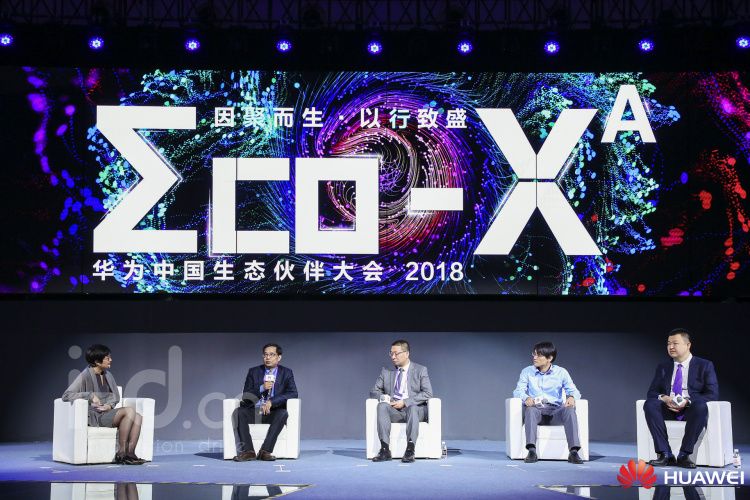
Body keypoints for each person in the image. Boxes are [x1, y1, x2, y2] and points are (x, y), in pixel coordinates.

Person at [644, 328, 718, 469]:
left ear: (688, 345)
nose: (671, 347)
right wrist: (665, 398)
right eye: (668, 343)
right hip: (669, 408)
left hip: (691, 409)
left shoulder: (704, 365)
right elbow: (652, 392)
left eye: (675, 343)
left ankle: (684, 455)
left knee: (700, 406)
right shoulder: (664, 367)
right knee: (650, 404)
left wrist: (687, 401)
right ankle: (665, 454)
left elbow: (712, 394)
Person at [62, 344, 146, 465]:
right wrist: (89, 395)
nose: (110, 360)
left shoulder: (108, 375)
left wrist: (109, 406)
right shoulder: (85, 375)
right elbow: (66, 395)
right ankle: (121, 453)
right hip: (95, 417)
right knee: (129, 411)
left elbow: (116, 397)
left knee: (138, 417)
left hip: (107, 413)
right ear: (97, 361)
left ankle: (130, 454)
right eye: (107, 358)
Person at [512, 341, 583, 464]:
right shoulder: (527, 371)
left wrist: (571, 397)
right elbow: (518, 391)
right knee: (530, 410)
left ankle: (573, 452)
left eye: (539, 355)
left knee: (570, 410)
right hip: (537, 411)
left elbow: (575, 391)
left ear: (549, 358)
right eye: (534, 354)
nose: (534, 357)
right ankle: (531, 451)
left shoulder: (561, 372)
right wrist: (526, 398)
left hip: (555, 412)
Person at [370, 340, 433, 463]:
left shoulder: (420, 370)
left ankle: (410, 450)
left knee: (412, 408)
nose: (393, 357)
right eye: (391, 353)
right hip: (395, 411)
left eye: (396, 353)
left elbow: (428, 393)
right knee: (382, 406)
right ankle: (384, 450)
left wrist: (405, 402)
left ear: (406, 353)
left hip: (415, 411)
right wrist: (387, 399)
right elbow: (374, 391)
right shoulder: (386, 371)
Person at [233, 343, 298, 462]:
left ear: (279, 357)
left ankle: (265, 451)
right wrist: (262, 388)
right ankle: (248, 452)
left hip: (272, 411)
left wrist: (272, 401)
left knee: (283, 413)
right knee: (239, 412)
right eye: (265, 355)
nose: (267, 357)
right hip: (254, 411)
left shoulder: (286, 373)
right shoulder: (254, 371)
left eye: (271, 355)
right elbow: (246, 395)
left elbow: (293, 393)